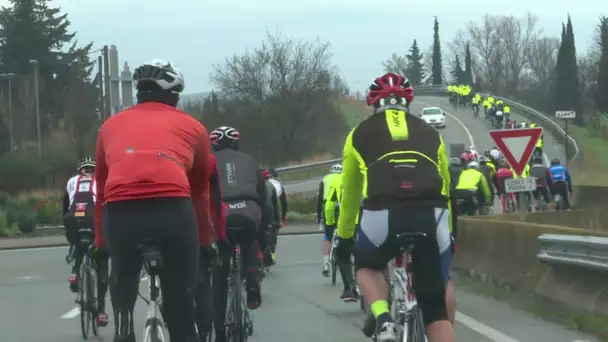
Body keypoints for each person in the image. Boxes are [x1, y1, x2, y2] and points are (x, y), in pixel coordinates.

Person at [94, 59, 212, 342]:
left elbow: (100, 189)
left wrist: (100, 244)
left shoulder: (109, 126)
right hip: (172, 210)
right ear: (173, 95)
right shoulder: (194, 128)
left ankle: (123, 327)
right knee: (182, 310)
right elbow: (200, 193)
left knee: (122, 287)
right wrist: (205, 245)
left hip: (121, 213)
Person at [336, 72, 455, 342]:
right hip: (431, 214)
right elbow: (446, 187)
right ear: (408, 104)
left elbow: (350, 195)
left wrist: (344, 239)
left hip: (382, 214)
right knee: (437, 305)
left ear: (374, 105)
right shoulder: (430, 132)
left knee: (366, 266)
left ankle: (384, 319)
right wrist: (450, 234)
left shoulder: (358, 134)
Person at [209, 125, 269, 339]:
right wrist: (264, 233)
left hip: (221, 212)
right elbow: (263, 195)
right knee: (249, 239)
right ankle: (251, 278)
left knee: (220, 273)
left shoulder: (208, 161)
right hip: (249, 209)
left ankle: (220, 331)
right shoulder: (250, 160)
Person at [63, 157, 110, 327]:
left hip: (73, 219)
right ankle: (101, 313)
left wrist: (68, 232)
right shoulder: (101, 180)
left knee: (78, 241)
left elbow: (66, 205)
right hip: (94, 219)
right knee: (102, 255)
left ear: (80, 170)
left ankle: (75, 272)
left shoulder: (71, 182)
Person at [195, 152, 227, 342]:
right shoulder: (207, 159)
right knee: (203, 283)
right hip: (199, 227)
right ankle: (206, 333)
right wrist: (221, 236)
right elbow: (216, 202)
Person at [318, 164, 342, 270]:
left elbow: (319, 199)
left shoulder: (325, 179)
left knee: (327, 236)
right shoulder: (345, 178)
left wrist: (319, 217)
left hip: (328, 206)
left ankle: (325, 264)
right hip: (342, 206)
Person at [261, 168, 279, 267]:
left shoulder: (251, 185)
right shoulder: (271, 186)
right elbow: (276, 206)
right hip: (269, 215)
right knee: (271, 237)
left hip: (255, 214)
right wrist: (278, 221)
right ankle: (271, 257)